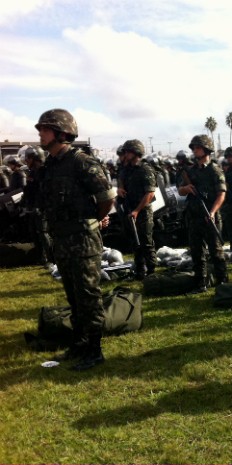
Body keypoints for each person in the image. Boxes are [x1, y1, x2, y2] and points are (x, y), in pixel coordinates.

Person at [37, 108, 114, 370]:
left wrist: (92, 221)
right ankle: (80, 343)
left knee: (88, 296)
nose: (40, 134)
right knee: (73, 296)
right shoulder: (52, 164)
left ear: (61, 133)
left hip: (83, 241)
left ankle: (95, 349)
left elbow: (106, 198)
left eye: (45, 129)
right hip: (62, 239)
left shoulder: (81, 162)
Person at [178, 135, 228, 293]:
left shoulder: (215, 170)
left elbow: (221, 194)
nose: (194, 150)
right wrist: (186, 189)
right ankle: (201, 283)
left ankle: (222, 282)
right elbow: (180, 189)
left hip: (209, 216)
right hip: (194, 216)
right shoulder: (190, 171)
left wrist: (213, 212)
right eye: (193, 148)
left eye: (197, 148)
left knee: (216, 252)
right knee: (196, 252)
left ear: (206, 149)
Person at [117, 140, 157, 280]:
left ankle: (152, 271)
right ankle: (140, 271)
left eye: (128, 151)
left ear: (136, 152)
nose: (125, 154)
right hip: (130, 209)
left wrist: (137, 210)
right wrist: (120, 189)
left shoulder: (145, 169)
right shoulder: (126, 170)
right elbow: (121, 180)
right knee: (135, 242)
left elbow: (150, 193)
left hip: (143, 211)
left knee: (146, 241)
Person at [22, 145, 53, 266]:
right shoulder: (33, 172)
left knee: (43, 232)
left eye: (28, 158)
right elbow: (29, 190)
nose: (26, 160)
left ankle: (51, 259)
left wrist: (40, 206)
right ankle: (42, 258)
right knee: (35, 232)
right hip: (33, 207)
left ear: (35, 158)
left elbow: (44, 192)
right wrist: (24, 203)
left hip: (41, 208)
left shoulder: (43, 171)